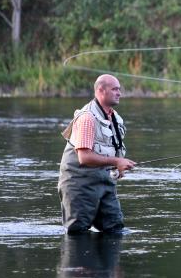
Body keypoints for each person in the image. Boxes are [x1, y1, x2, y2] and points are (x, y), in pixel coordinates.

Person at [58, 74, 136, 234]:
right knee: (77, 233)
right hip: (79, 185)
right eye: (115, 89)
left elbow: (111, 147)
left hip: (105, 183)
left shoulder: (115, 118)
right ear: (101, 90)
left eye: (119, 89)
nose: (119, 93)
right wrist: (116, 161)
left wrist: (118, 165)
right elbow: (84, 157)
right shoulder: (87, 118)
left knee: (115, 230)